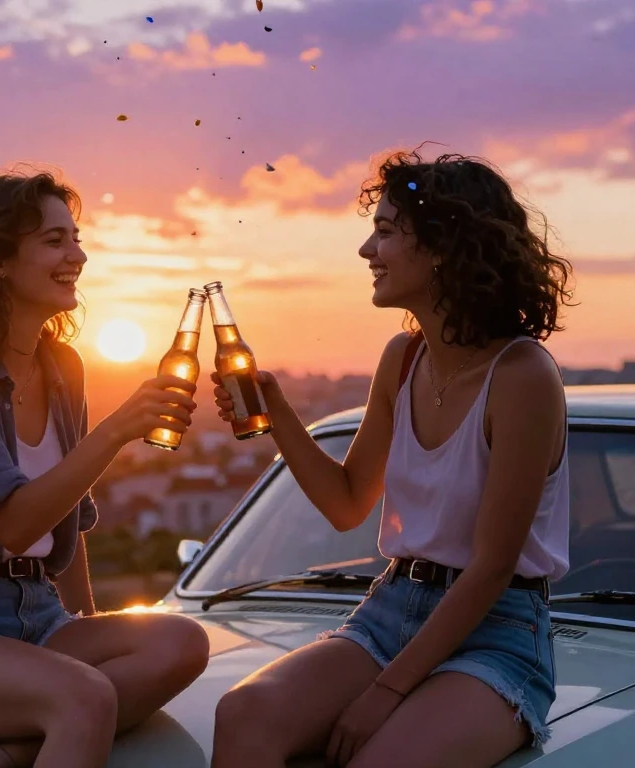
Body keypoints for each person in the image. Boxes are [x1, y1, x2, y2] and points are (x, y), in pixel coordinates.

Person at [209, 149, 574, 768]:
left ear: (441, 248)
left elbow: (491, 567)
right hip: (391, 607)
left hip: (497, 630)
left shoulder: (522, 376)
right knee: (244, 713)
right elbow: (348, 501)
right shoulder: (402, 358)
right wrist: (276, 412)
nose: (365, 250)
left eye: (383, 232)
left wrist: (385, 692)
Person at [0, 168, 211, 768]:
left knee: (182, 642)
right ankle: (48, 718)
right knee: (85, 696)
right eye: (54, 241)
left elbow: (66, 515)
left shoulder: (63, 367)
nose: (77, 256)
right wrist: (115, 430)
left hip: (41, 614)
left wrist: (85, 621)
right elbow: (11, 525)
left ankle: (9, 750)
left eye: (76, 239)